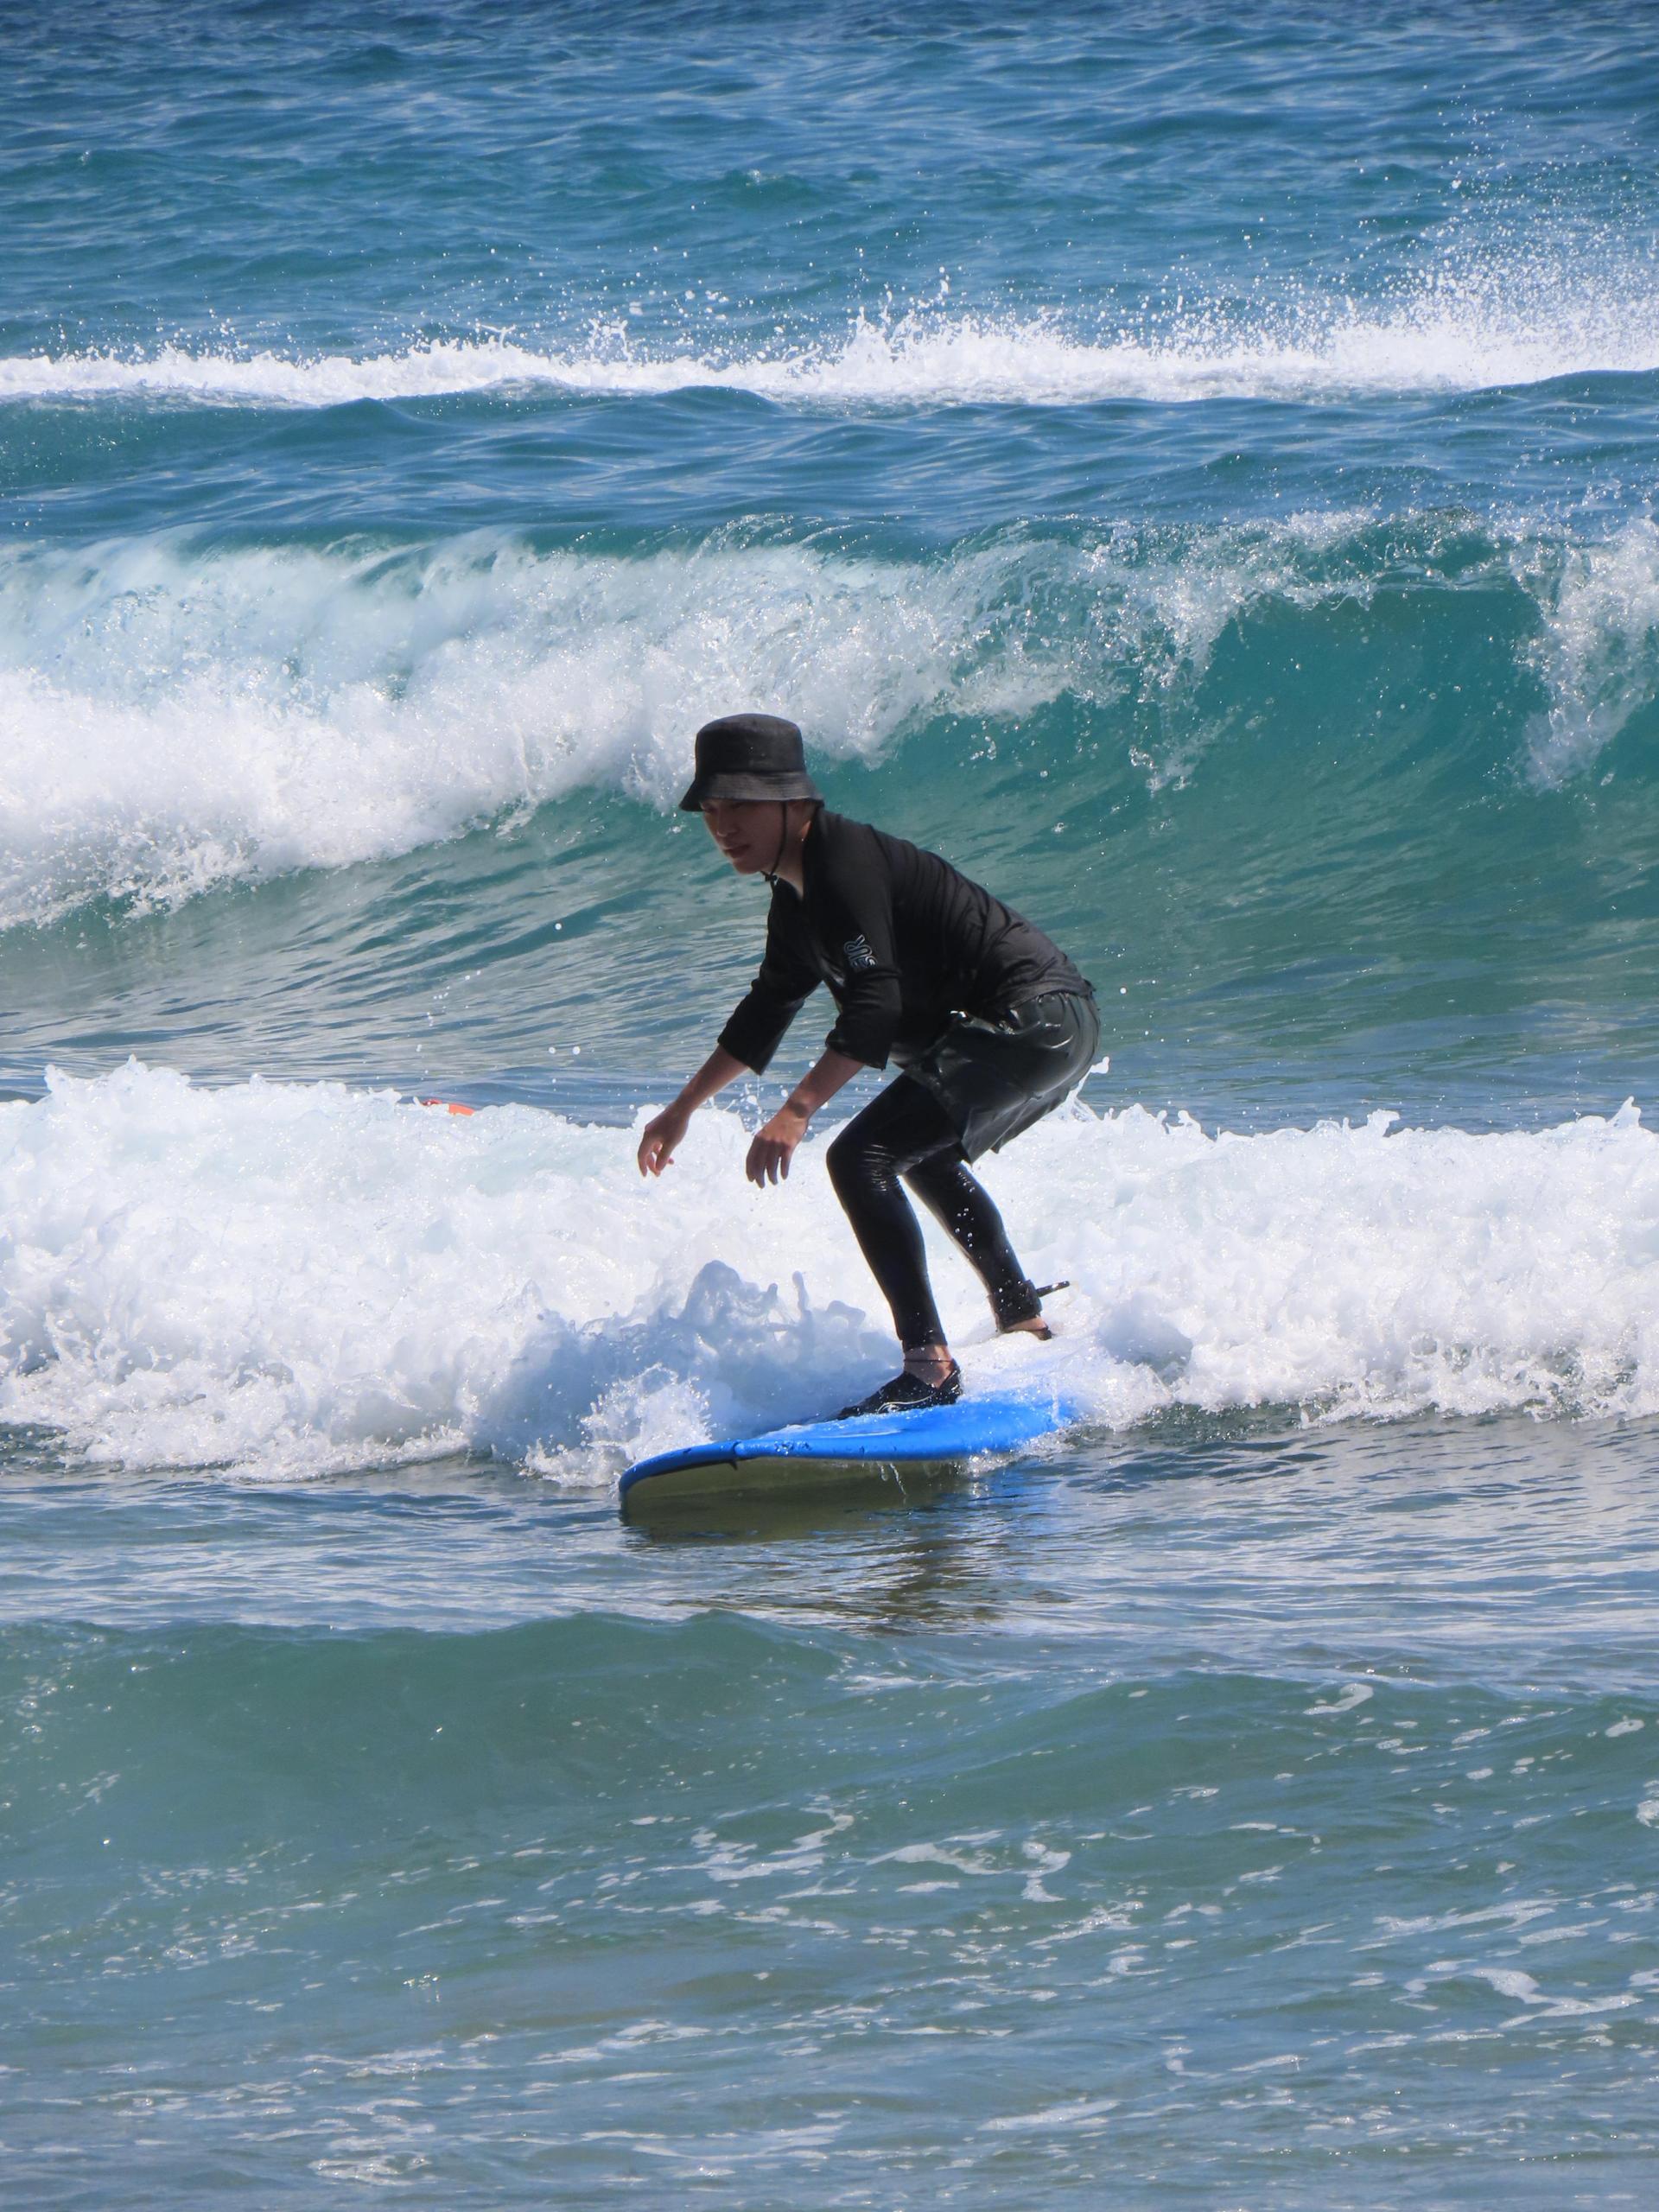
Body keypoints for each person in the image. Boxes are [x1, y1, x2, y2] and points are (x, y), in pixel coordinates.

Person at [637, 713, 1100, 1417]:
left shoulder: (844, 867)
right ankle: (1021, 1313)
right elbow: (766, 1008)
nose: (723, 826)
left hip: (1036, 1021)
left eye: (741, 806)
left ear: (794, 802)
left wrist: (798, 1110)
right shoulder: (796, 898)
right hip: (1049, 1027)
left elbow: (877, 1003)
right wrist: (682, 1109)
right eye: (711, 809)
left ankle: (929, 1368)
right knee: (920, 1155)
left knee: (862, 1156)